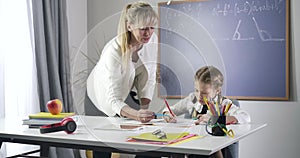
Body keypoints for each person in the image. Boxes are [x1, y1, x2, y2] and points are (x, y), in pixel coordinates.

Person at [86, 1, 159, 158]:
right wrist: (137, 115)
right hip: (98, 100)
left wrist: (144, 109)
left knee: (147, 141)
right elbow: (112, 100)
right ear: (129, 26)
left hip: (122, 93)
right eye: (143, 28)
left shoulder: (152, 40)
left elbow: (149, 77)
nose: (149, 33)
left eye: (152, 27)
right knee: (104, 147)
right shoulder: (113, 52)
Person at [162, 66, 251, 158]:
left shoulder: (222, 103)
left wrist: (215, 120)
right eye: (197, 90)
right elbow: (170, 109)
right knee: (174, 149)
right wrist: (167, 114)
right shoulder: (192, 99)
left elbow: (245, 117)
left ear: (217, 91)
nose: (199, 96)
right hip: (192, 146)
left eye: (204, 93)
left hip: (213, 149)